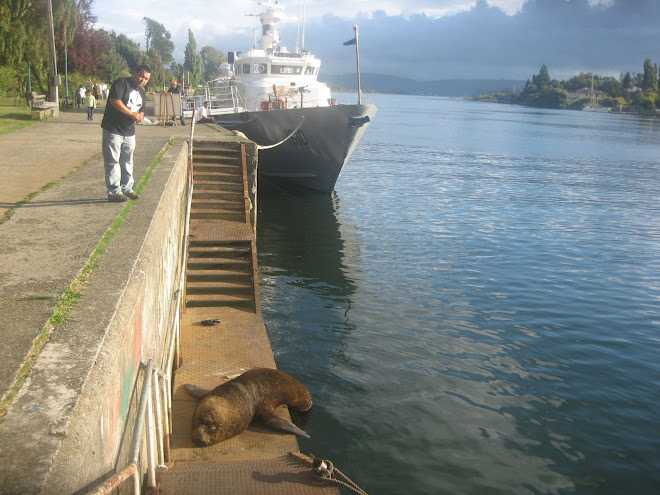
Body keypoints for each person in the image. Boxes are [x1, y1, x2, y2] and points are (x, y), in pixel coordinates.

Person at [100, 64, 152, 203]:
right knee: (112, 161)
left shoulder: (141, 92)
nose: (143, 80)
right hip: (113, 130)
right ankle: (114, 192)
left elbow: (142, 108)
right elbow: (114, 101)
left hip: (129, 132)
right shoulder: (122, 83)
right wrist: (131, 113)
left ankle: (127, 189)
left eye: (146, 79)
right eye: (141, 76)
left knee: (127, 161)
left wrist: (140, 116)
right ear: (134, 72)